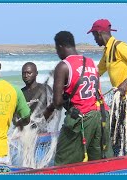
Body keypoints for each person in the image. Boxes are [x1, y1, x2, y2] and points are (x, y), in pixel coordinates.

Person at [43, 31, 102, 165]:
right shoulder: (91, 62)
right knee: (95, 162)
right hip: (97, 117)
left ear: (61, 46)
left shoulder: (63, 66)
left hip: (79, 120)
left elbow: (57, 103)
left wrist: (48, 110)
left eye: (56, 49)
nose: (57, 53)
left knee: (63, 161)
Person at [87, 19, 127, 154]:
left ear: (99, 33)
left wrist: (126, 83)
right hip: (120, 101)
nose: (95, 40)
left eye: (94, 36)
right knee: (118, 136)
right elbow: (97, 72)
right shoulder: (107, 51)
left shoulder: (119, 46)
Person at [21, 62, 52, 131]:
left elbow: (53, 109)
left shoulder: (45, 89)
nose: (26, 76)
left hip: (42, 130)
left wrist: (42, 122)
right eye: (23, 73)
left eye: (29, 73)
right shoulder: (20, 93)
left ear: (36, 73)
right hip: (25, 132)